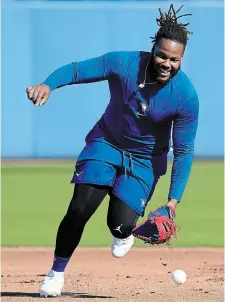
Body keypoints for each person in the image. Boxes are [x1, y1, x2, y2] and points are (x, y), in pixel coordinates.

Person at [26, 4, 199, 297]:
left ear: (181, 59)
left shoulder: (185, 96)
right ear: (152, 48)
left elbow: (183, 151)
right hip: (106, 143)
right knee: (80, 207)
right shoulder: (125, 63)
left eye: (174, 59)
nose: (166, 63)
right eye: (161, 54)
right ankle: (56, 272)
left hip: (145, 161)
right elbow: (80, 70)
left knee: (119, 225)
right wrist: (48, 84)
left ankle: (121, 234)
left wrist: (173, 201)